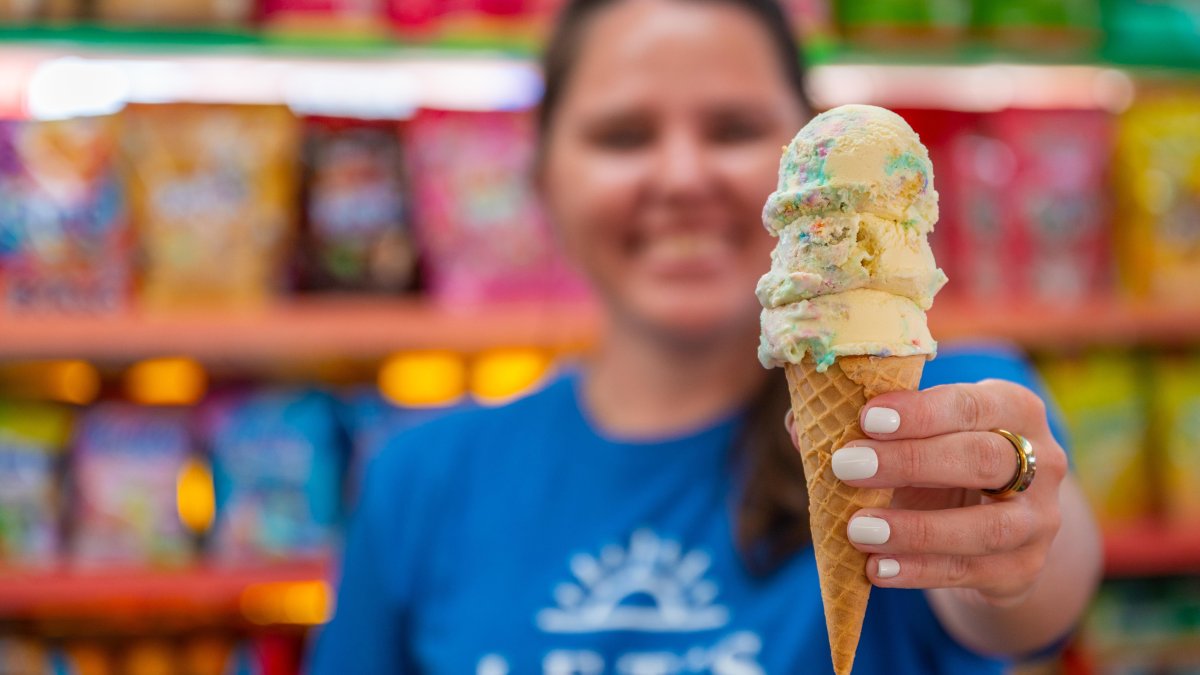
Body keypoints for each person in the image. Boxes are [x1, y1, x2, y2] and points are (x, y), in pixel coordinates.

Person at [310, 0, 1103, 672]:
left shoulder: (944, 399)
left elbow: (1035, 592)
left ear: (807, 163)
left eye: (732, 128)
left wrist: (1004, 549)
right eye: (623, 135)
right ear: (543, 176)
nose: (684, 177)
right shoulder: (421, 479)